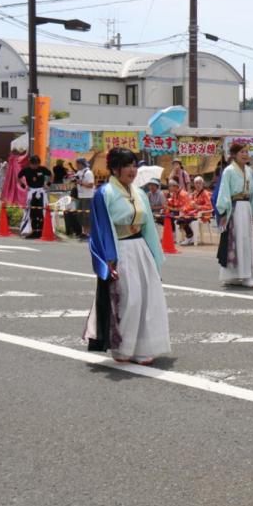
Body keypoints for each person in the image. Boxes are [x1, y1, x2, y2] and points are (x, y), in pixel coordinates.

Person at [83, 147, 171, 365]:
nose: (132, 169)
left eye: (134, 164)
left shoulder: (139, 192)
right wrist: (108, 259)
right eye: (127, 165)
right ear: (115, 168)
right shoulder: (104, 194)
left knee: (148, 298)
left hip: (140, 248)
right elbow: (101, 229)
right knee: (128, 299)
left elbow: (148, 225)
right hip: (120, 249)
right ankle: (122, 346)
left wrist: (154, 254)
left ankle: (143, 346)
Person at [215, 142, 253, 288]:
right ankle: (235, 275)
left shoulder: (249, 171)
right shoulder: (229, 171)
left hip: (246, 208)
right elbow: (224, 191)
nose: (245, 154)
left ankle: (246, 275)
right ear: (234, 155)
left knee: (246, 240)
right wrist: (223, 211)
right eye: (242, 152)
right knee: (236, 240)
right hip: (235, 208)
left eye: (246, 152)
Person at [17, 155, 52, 238]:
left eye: (37, 164)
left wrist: (48, 184)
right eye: (34, 164)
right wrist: (24, 186)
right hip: (31, 191)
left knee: (41, 211)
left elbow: (51, 175)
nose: (36, 166)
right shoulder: (26, 170)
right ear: (30, 163)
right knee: (32, 212)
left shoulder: (42, 169)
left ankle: (41, 231)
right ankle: (33, 231)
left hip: (41, 191)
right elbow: (18, 177)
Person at [67, 157, 95, 240]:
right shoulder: (79, 172)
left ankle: (88, 233)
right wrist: (72, 179)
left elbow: (91, 185)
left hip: (88, 197)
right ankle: (84, 232)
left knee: (87, 215)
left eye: (77, 164)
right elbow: (75, 180)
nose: (76, 165)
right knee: (80, 215)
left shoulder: (88, 173)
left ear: (81, 164)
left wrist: (80, 183)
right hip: (81, 196)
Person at [165, 177, 195, 245]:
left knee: (181, 219)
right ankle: (173, 234)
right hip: (180, 212)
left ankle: (189, 236)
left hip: (188, 213)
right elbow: (172, 204)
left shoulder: (182, 194)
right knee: (164, 217)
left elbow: (183, 208)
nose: (169, 187)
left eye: (170, 186)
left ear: (175, 186)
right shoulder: (175, 193)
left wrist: (171, 208)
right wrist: (167, 203)